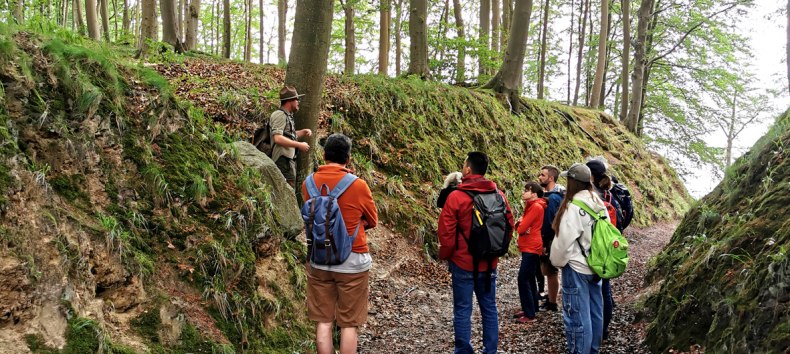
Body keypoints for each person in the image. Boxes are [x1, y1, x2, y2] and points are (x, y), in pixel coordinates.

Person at [302, 134, 378, 354]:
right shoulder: (358, 185)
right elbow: (372, 220)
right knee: (348, 323)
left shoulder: (308, 183)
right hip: (352, 260)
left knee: (323, 321)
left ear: (324, 155)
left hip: (319, 259)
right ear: (348, 158)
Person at [438, 152, 515, 354]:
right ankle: (490, 350)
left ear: (468, 170)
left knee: (463, 309)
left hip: (462, 263)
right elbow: (509, 226)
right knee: (489, 307)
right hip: (489, 262)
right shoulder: (498, 195)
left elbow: (446, 233)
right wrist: (496, 251)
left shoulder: (456, 196)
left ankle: (463, 351)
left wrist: (447, 255)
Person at [550, 163, 606, 354]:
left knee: (577, 317)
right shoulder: (599, 204)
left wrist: (556, 261)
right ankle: (593, 350)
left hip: (577, 267)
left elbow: (563, 242)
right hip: (597, 265)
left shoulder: (574, 207)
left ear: (573, 182)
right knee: (595, 312)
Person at [586, 158, 619, 340]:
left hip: (593, 248)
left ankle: (593, 331)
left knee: (593, 292)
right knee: (604, 290)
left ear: (590, 175)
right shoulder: (609, 195)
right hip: (608, 246)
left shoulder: (591, 196)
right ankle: (603, 330)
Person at [514, 181, 546, 323]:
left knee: (523, 278)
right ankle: (532, 307)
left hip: (531, 246)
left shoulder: (536, 207)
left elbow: (521, 228)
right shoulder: (531, 206)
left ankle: (529, 313)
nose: (523, 192)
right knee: (530, 277)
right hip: (530, 245)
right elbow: (521, 226)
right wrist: (521, 225)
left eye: (526, 190)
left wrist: (521, 224)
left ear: (534, 194)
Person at [537, 165, 565, 312]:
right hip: (552, 238)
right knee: (549, 271)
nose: (539, 177)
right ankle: (551, 298)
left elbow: (549, 222)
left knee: (551, 271)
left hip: (549, 239)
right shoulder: (554, 195)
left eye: (542, 175)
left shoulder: (553, 198)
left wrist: (544, 241)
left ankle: (553, 302)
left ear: (551, 178)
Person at [272, 86, 313, 187]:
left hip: (288, 161)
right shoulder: (280, 115)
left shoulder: (287, 115)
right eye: (297, 99)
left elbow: (288, 136)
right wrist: (299, 145)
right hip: (282, 161)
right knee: (287, 191)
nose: (298, 102)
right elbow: (278, 138)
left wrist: (302, 132)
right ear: (290, 101)